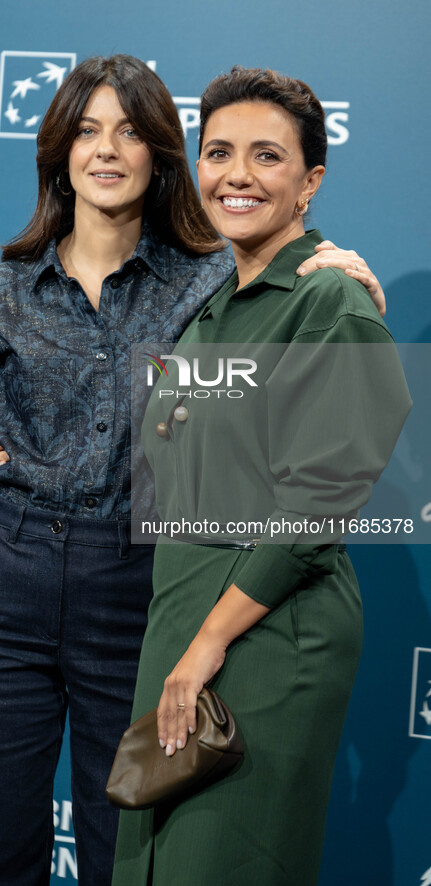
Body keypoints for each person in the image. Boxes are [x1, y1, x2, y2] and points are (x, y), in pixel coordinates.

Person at [0, 54, 386, 886]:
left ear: (160, 154)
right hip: (5, 579)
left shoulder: (209, 281)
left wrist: (343, 274)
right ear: (58, 151)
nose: (105, 150)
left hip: (139, 583)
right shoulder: (1, 292)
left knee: (125, 850)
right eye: (86, 131)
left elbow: (286, 314)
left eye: (130, 131)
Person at [111, 67, 411, 886]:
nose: (236, 175)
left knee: (221, 862)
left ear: (310, 181)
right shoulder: (213, 307)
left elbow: (318, 502)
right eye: (218, 153)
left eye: (267, 156)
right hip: (183, 626)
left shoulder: (331, 304)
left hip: (265, 635)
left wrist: (207, 644)